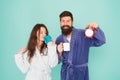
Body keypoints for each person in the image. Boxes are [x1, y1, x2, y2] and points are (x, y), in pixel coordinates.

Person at [56, 11, 106, 80]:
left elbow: (101, 41)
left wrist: (96, 28)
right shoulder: (59, 39)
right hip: (66, 74)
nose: (65, 24)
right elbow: (58, 61)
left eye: (68, 21)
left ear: (72, 22)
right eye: (63, 21)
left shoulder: (83, 34)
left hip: (81, 74)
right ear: (60, 23)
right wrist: (59, 53)